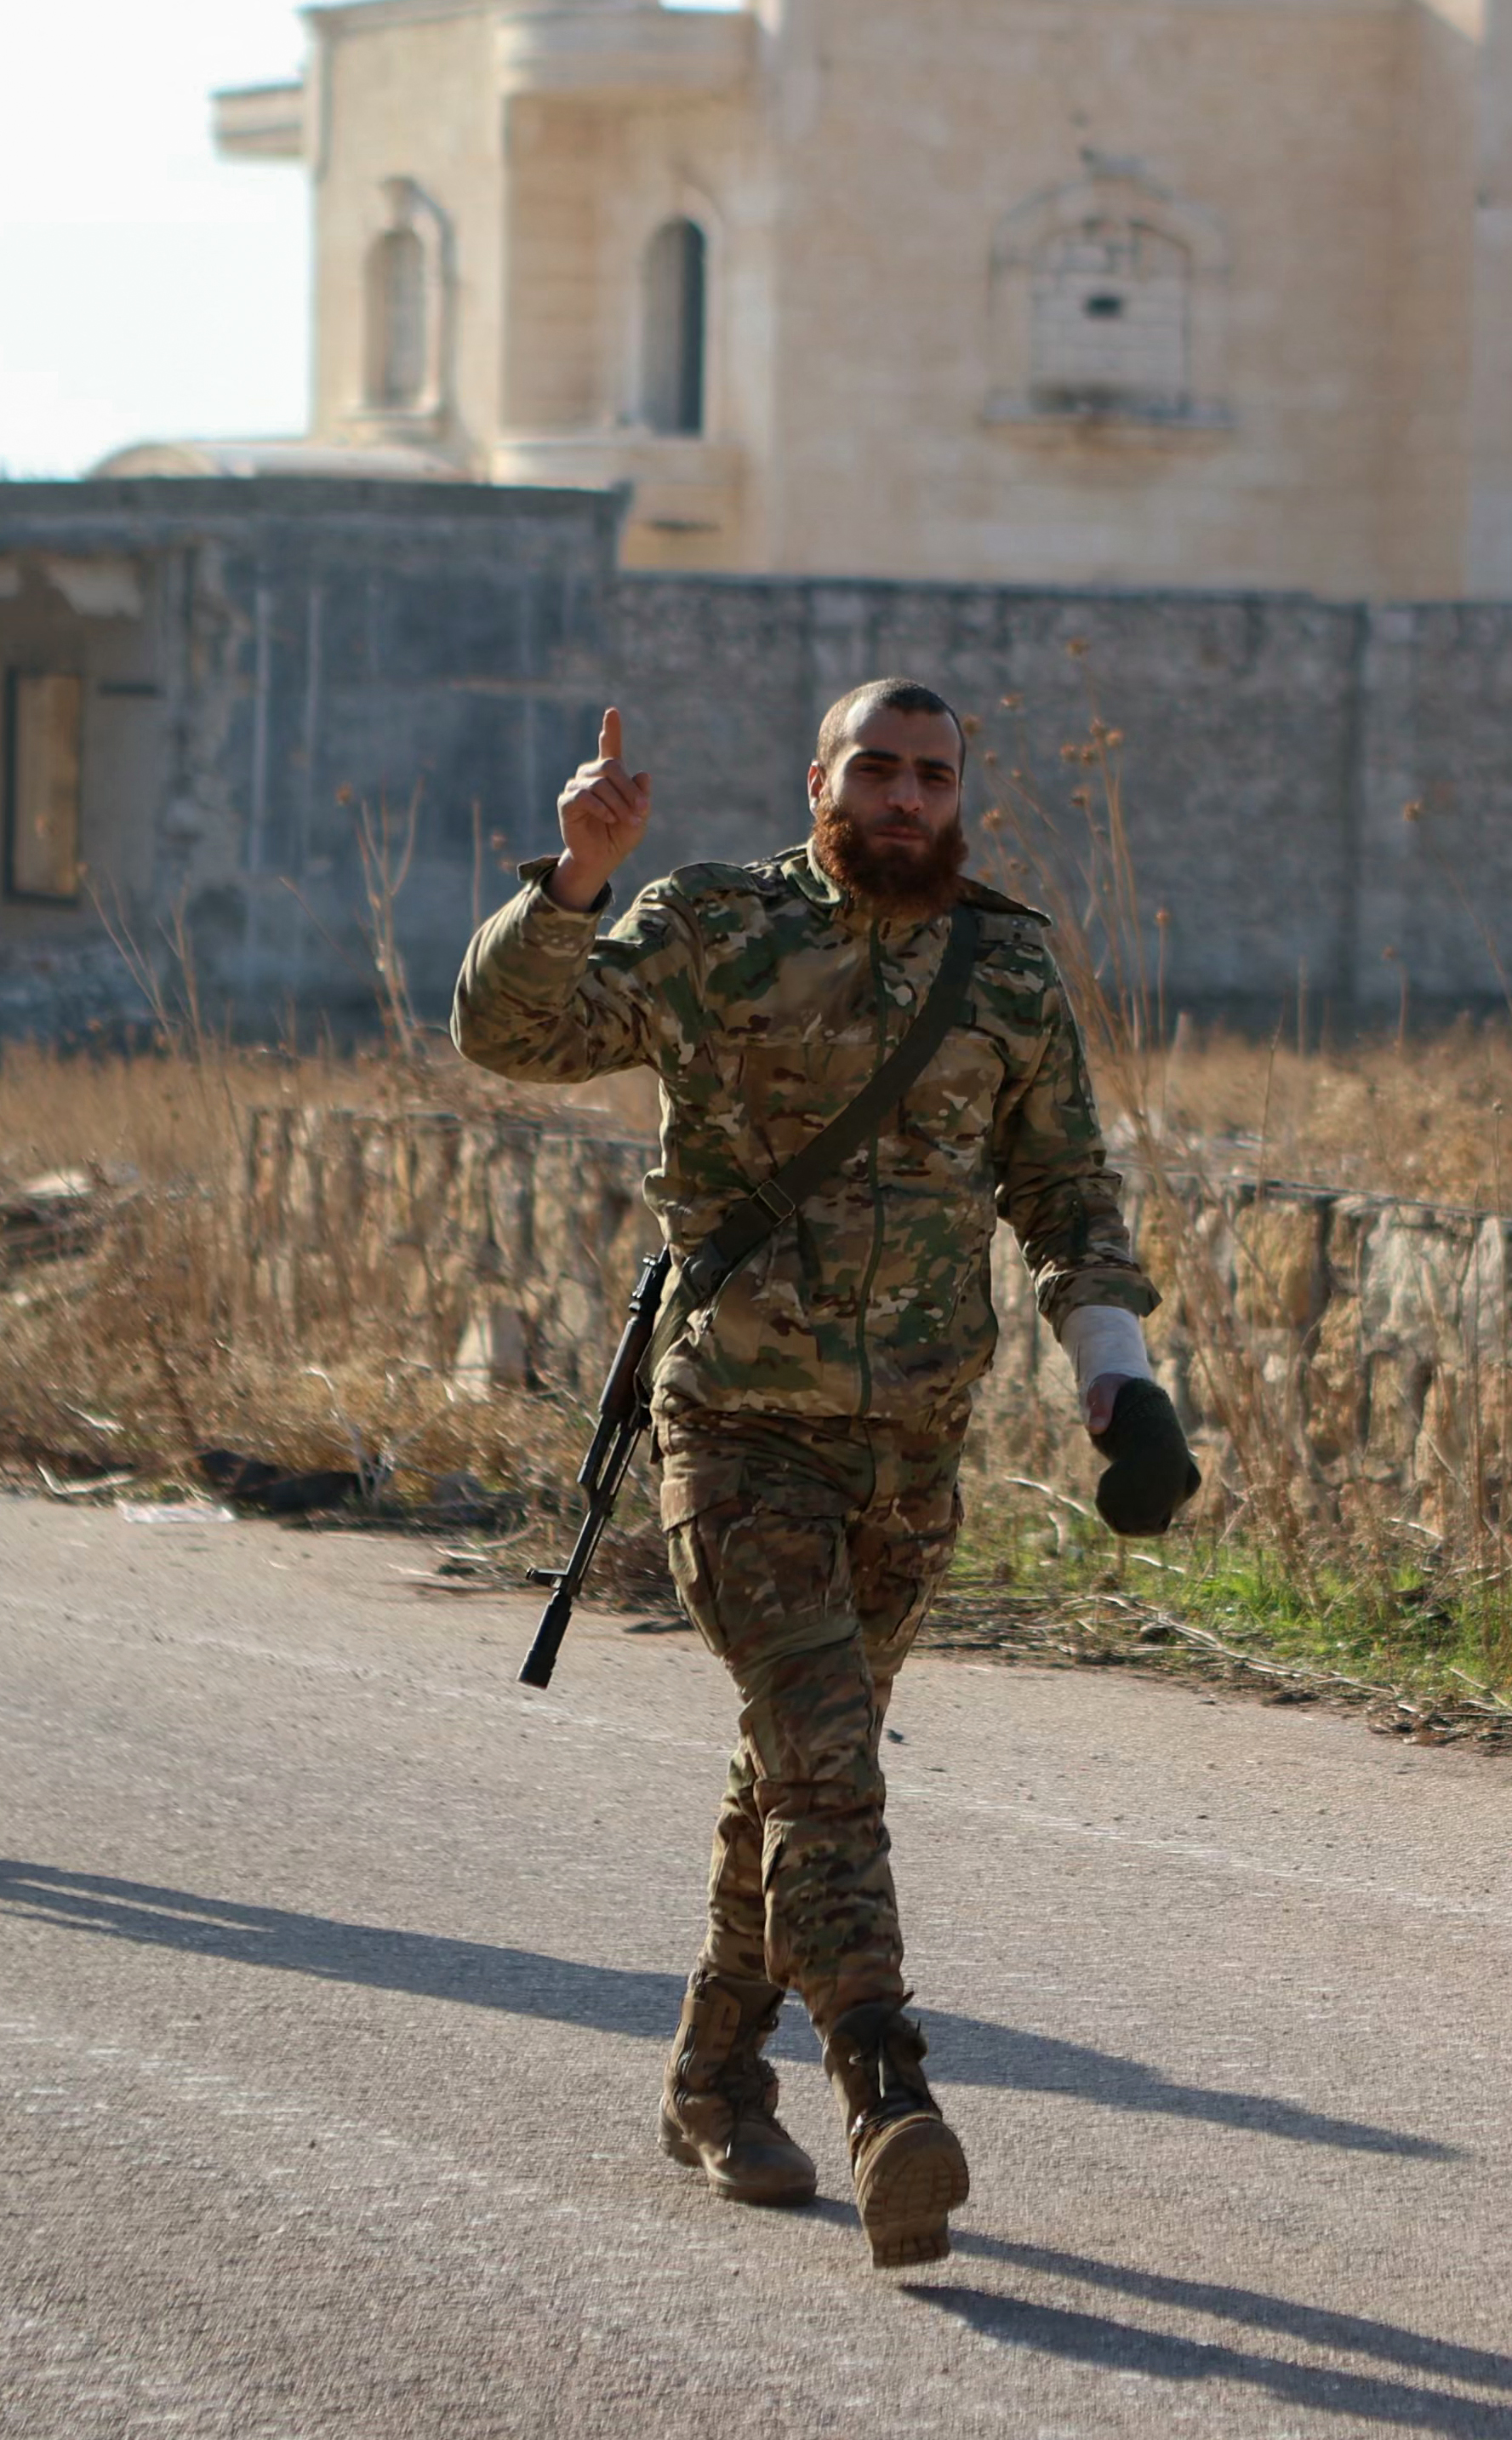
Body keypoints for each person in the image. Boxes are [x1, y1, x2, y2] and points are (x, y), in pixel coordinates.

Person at [450, 684, 1182, 2270]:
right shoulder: (713, 925)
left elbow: (1065, 1188)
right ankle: (884, 2093)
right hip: (737, 1424)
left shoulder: (1006, 961)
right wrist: (570, 882)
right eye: (879, 769)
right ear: (821, 781)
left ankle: (716, 2075)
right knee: (831, 1760)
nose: (908, 798)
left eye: (934, 775)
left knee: (788, 1773)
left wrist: (1118, 1377)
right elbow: (514, 1034)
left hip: (912, 1447)